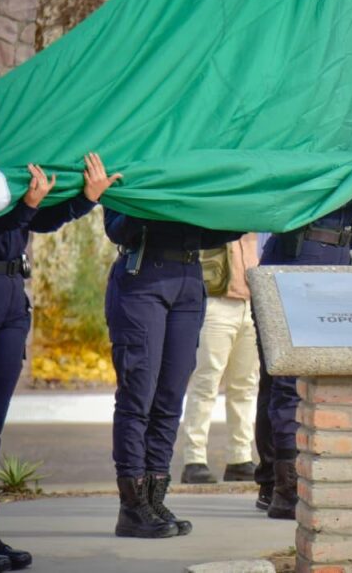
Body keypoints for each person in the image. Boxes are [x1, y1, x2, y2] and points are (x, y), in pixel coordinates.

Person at [255, 150, 352, 519]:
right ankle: (286, 489)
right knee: (286, 381)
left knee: (307, 380)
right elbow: (314, 190)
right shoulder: (308, 142)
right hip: (300, 259)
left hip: (333, 256)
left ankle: (284, 480)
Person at [0, 154, 120, 571]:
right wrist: (26, 206)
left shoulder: (10, 153)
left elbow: (37, 221)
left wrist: (85, 199)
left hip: (11, 296)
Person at [103, 207, 243, 538]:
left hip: (189, 279)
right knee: (138, 396)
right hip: (143, 275)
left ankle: (154, 498)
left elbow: (213, 232)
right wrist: (153, 205)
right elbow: (117, 229)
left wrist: (240, 214)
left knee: (170, 398)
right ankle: (133, 507)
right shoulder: (132, 163)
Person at [179, 234, 261, 484]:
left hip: (253, 302)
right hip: (216, 299)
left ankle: (240, 458)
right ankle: (193, 460)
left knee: (246, 386)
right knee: (206, 383)